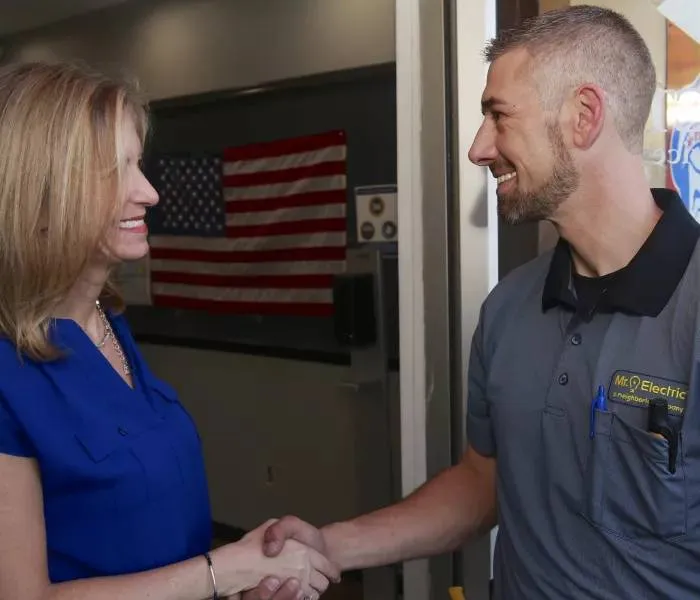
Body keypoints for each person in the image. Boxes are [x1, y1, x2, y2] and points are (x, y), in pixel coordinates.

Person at [244, 5, 700, 599]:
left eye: (498, 116)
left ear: (584, 116)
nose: (478, 149)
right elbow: (484, 482)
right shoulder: (509, 306)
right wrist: (331, 546)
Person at [0, 61, 339, 600]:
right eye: (116, 170)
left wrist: (247, 565)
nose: (150, 192)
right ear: (38, 196)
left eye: (139, 163)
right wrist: (219, 571)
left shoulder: (108, 326)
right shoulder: (7, 372)